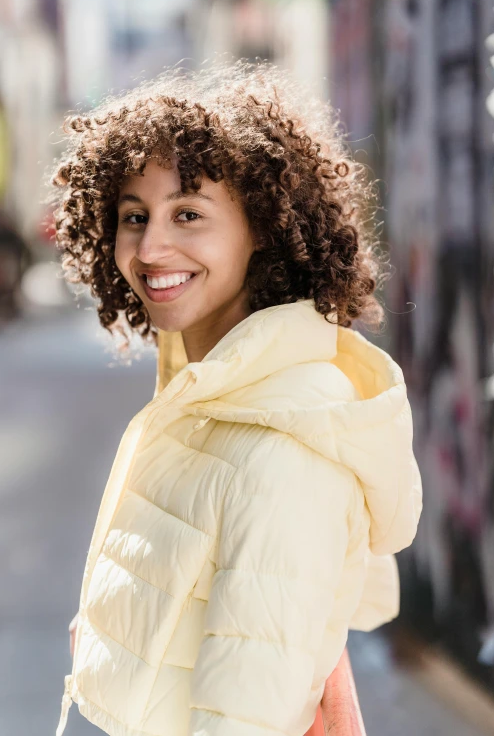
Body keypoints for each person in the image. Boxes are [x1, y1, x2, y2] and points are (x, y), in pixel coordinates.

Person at [51, 61, 422, 736]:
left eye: (187, 214)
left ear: (264, 228)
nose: (151, 246)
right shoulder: (207, 386)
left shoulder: (285, 439)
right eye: (134, 216)